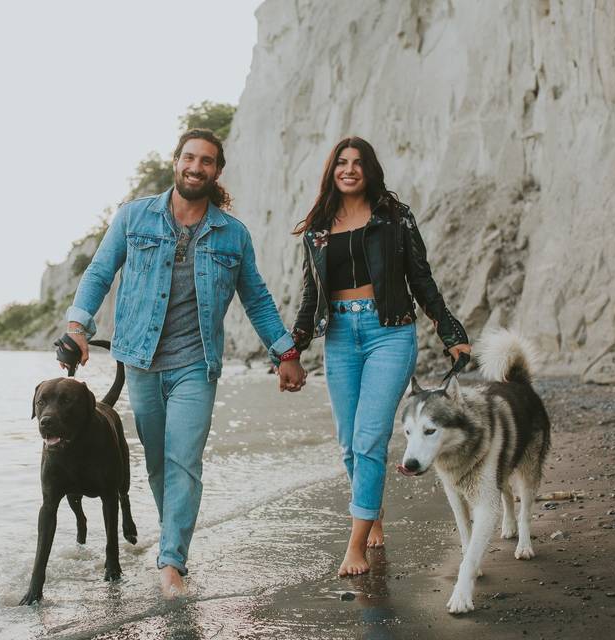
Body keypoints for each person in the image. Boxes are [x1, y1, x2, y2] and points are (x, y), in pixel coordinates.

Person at [64, 128, 307, 597]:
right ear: (176, 161)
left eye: (207, 161)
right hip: (141, 360)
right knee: (157, 464)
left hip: (196, 362)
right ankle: (173, 542)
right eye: (189, 158)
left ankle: (171, 560)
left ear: (217, 171)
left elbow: (255, 299)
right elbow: (99, 271)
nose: (197, 167)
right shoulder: (134, 216)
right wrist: (78, 326)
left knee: (184, 460)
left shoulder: (231, 234)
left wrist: (286, 354)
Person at [291, 136, 470, 576]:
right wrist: (291, 350)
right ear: (331, 170)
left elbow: (421, 278)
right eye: (341, 163)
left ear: (370, 170)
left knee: (369, 438)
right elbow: (311, 294)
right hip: (339, 336)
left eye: (358, 163)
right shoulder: (317, 227)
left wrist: (450, 331)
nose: (349, 169)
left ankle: (356, 547)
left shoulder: (394, 217)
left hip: (388, 332)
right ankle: (372, 511)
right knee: (349, 444)